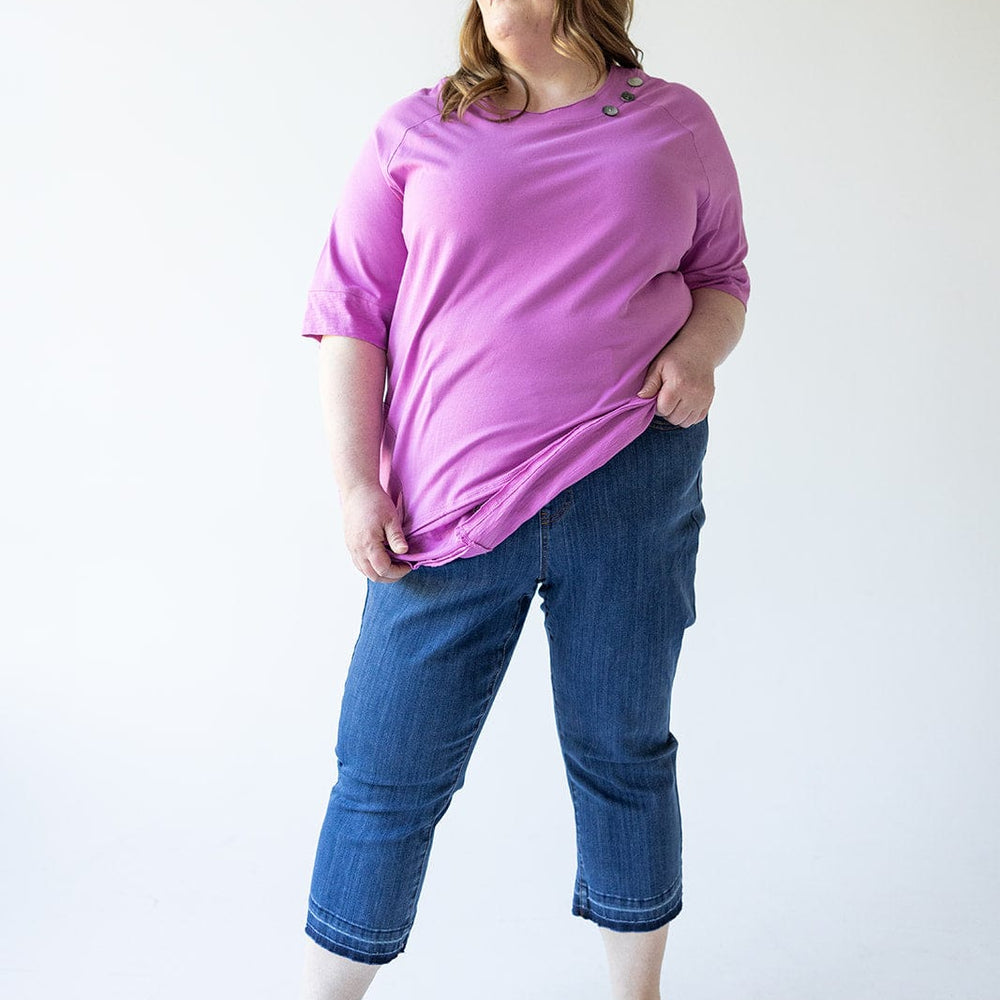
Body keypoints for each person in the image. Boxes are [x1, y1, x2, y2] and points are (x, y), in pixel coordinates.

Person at [298, 1, 750, 997]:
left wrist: (698, 352)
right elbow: (348, 314)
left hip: (632, 477)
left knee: (623, 750)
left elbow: (721, 277)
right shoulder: (418, 130)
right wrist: (355, 484)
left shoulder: (674, 123)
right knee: (385, 768)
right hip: (443, 501)